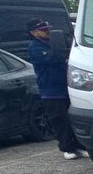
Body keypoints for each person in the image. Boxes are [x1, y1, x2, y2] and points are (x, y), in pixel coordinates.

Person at [26, 19, 81, 159]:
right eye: (43, 30)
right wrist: (64, 56)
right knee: (59, 118)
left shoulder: (52, 43)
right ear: (33, 32)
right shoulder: (35, 47)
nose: (47, 32)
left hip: (65, 86)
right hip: (51, 90)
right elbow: (53, 58)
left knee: (72, 118)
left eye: (47, 29)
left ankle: (79, 145)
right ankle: (67, 148)